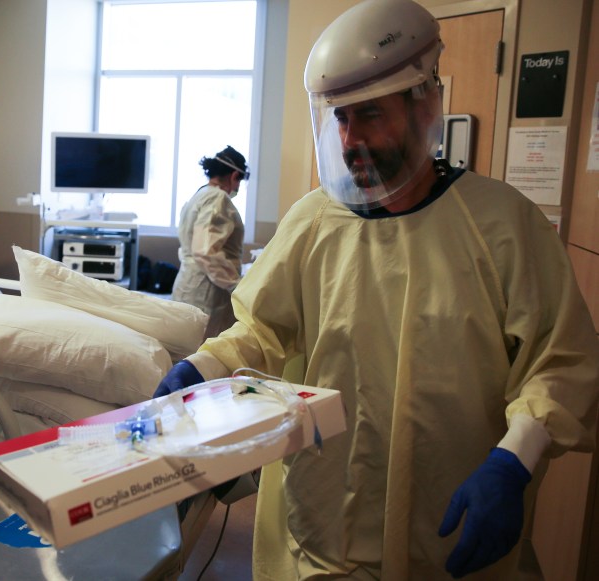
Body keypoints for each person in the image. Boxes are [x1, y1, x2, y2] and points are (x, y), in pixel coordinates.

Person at [154, 0, 599, 579]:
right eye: (339, 118)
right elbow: (262, 328)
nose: (350, 138)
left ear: (424, 105)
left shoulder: (500, 226)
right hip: (324, 528)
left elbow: (559, 361)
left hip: (451, 531)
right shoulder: (314, 221)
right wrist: (205, 366)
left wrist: (516, 459)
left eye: (369, 115)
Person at [171, 145, 248, 338]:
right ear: (233, 176)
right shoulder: (217, 199)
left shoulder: (199, 195)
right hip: (206, 292)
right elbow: (206, 251)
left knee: (185, 349)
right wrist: (237, 286)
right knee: (203, 354)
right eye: (239, 181)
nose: (238, 188)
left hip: (188, 284)